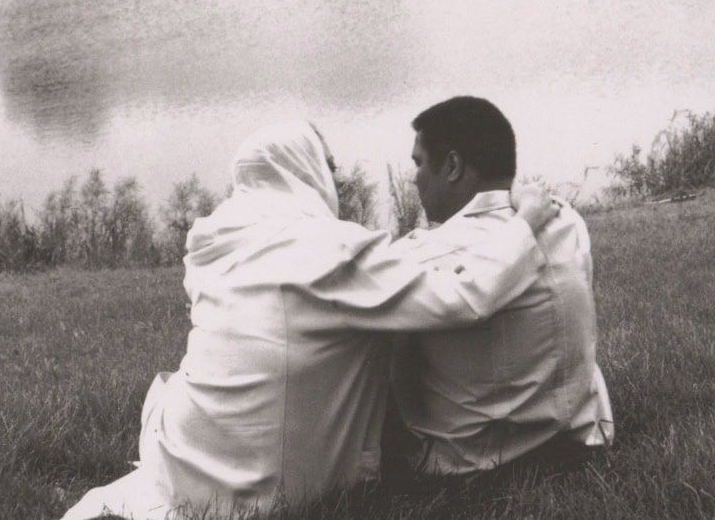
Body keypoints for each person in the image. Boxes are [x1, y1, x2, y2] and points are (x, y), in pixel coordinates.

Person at [60, 121, 560, 520]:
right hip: (265, 488)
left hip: (187, 455)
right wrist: (525, 222)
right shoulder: (330, 252)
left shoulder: (215, 243)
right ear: (306, 171)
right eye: (331, 168)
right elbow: (463, 298)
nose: (337, 182)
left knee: (173, 389)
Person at [387, 96, 614, 480]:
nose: (414, 179)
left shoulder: (420, 255)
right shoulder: (567, 222)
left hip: (469, 462)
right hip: (577, 440)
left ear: (453, 166)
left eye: (419, 163)